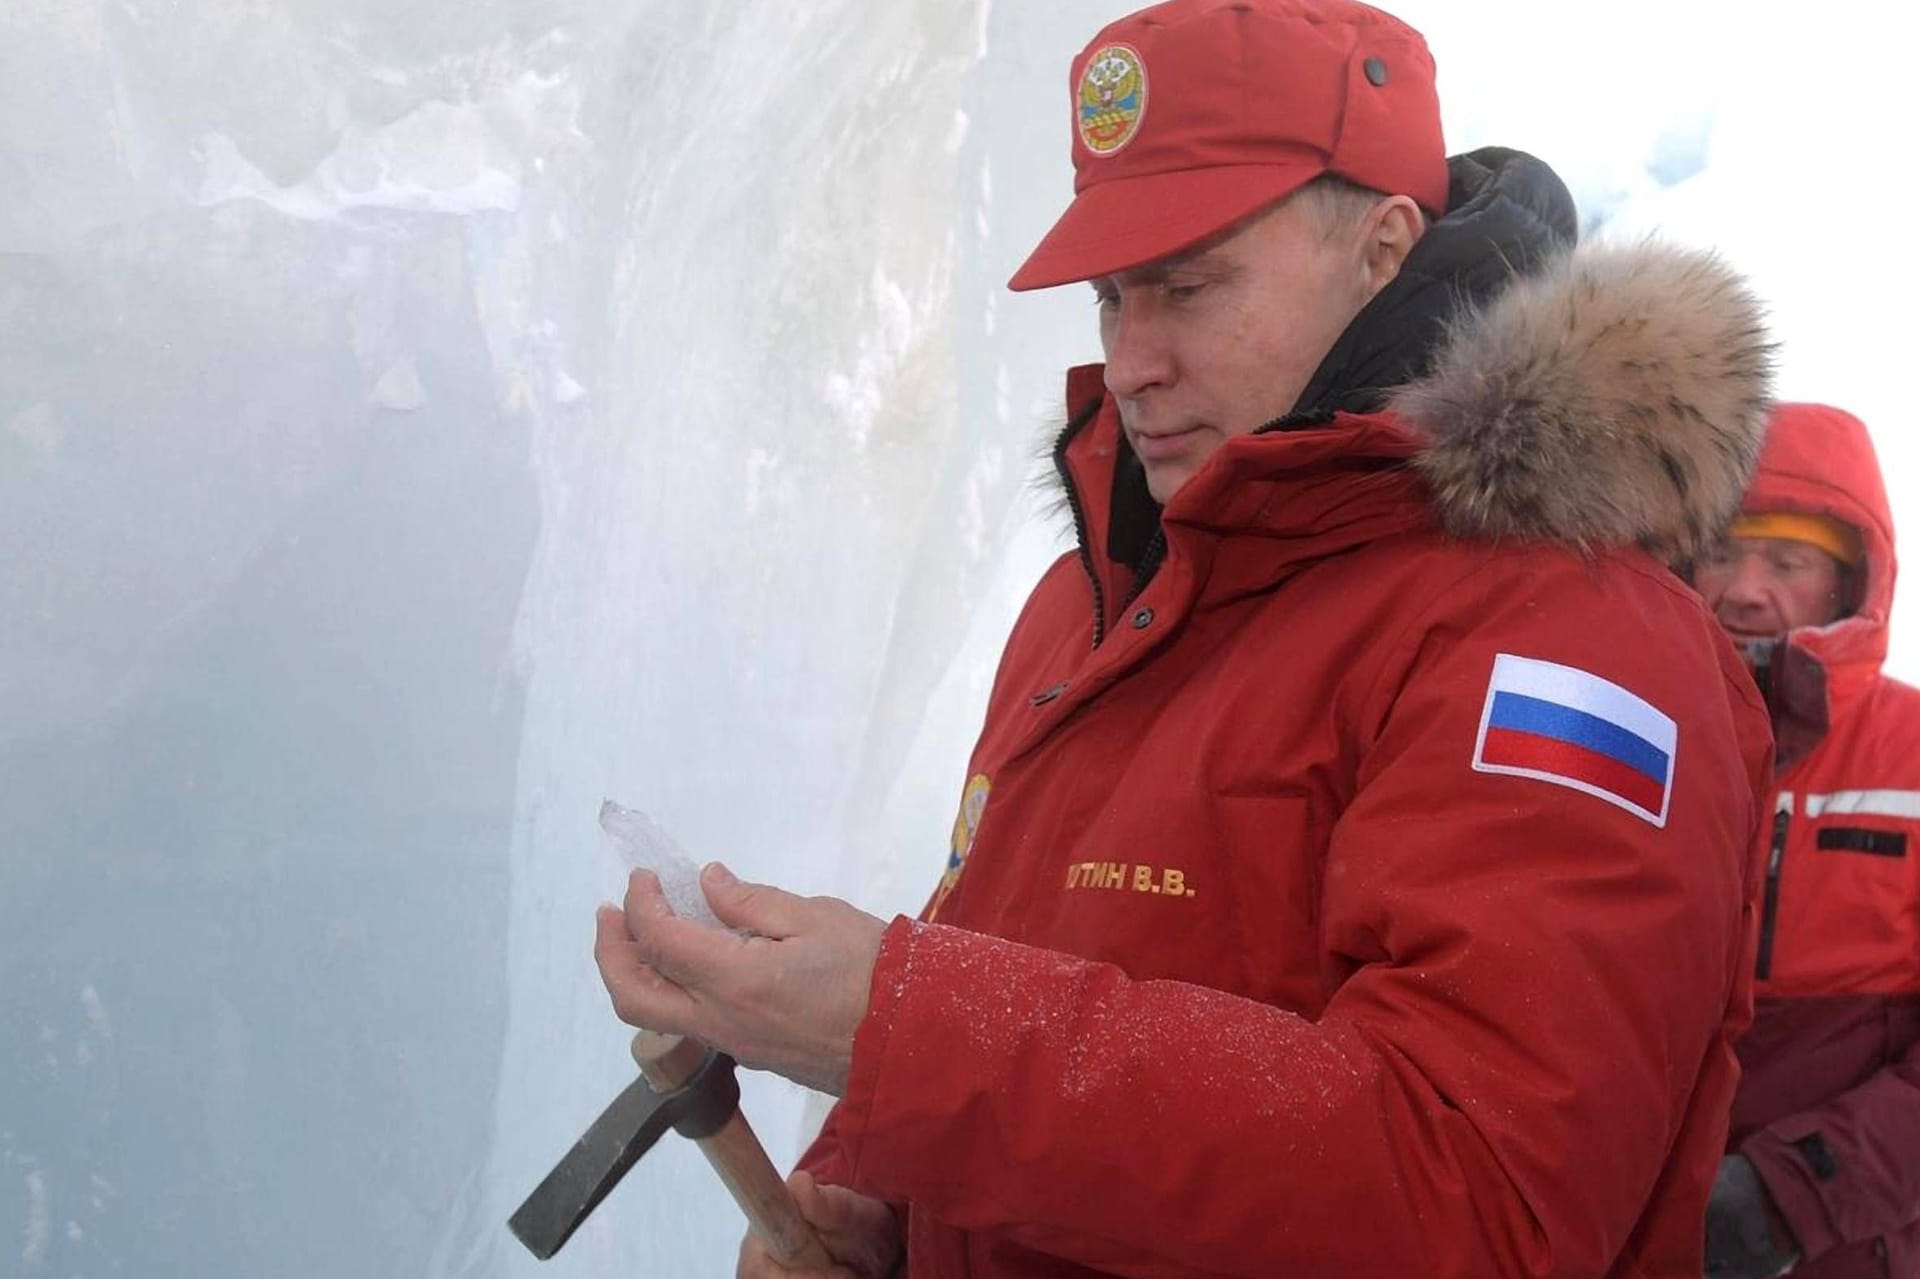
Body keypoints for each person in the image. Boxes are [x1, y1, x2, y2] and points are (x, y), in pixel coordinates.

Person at [592, 1, 1779, 1274]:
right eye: (1112, 296)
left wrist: (897, 1033)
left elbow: (1477, 1199)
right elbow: (1020, 961)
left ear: (1382, 247)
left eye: (1188, 285)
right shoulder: (1091, 605)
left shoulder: (1573, 642)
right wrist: (873, 1203)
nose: (1131, 361)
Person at [1692, 402, 1920, 1279]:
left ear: (1851, 581)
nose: (1746, 590)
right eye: (1720, 552)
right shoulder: (1631, 741)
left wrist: (1792, 1192)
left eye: (1787, 562)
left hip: (1840, 1248)